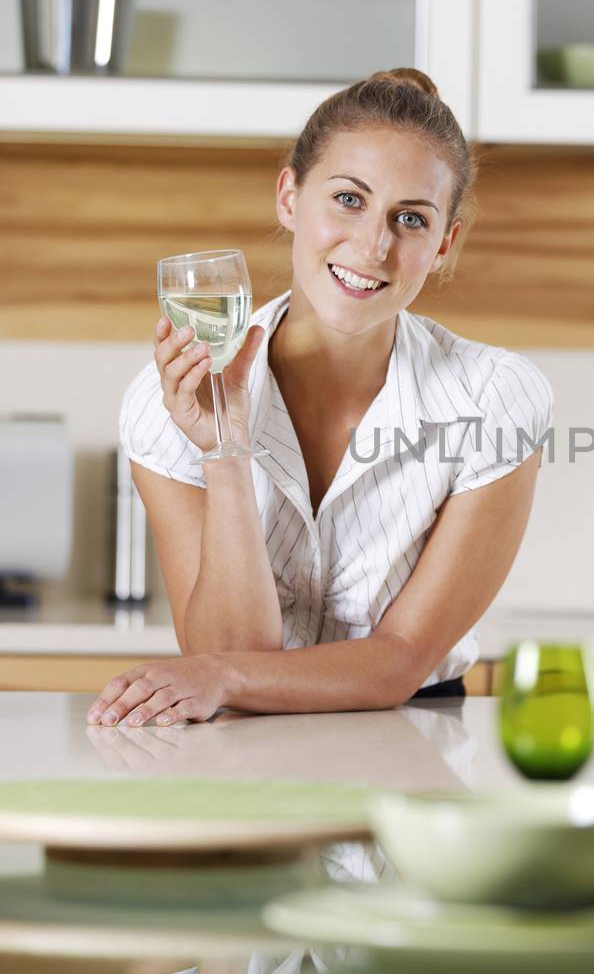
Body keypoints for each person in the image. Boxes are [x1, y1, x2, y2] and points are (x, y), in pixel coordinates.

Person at [87, 68, 553, 728]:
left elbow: (399, 660)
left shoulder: (495, 399)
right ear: (289, 195)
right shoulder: (163, 403)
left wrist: (221, 676)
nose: (373, 245)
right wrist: (225, 444)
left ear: (443, 243)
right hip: (241, 741)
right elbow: (229, 654)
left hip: (412, 737)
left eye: (411, 219)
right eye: (348, 199)